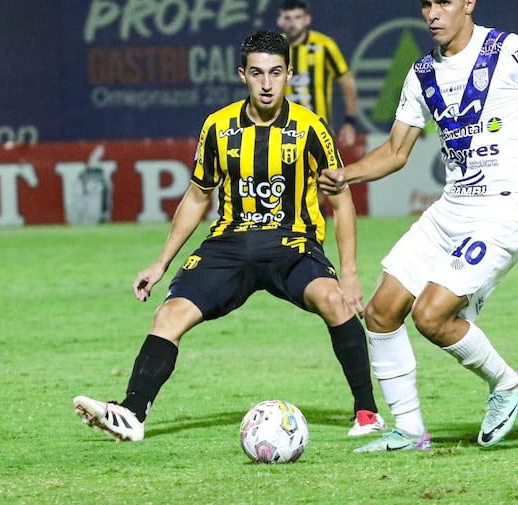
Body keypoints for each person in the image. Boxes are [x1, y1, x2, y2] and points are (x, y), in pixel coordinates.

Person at [320, 0, 518, 452]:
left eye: (443, 3)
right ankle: (410, 430)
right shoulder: (421, 74)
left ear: (468, 3)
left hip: (503, 212)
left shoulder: (508, 51)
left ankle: (505, 384)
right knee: (380, 311)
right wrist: (343, 173)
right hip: (450, 211)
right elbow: (396, 153)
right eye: (425, 4)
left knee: (432, 316)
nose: (433, 14)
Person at [74, 30, 385, 442]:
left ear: (289, 73)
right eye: (257, 73)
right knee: (168, 316)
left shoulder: (311, 128)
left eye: (276, 72)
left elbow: (341, 201)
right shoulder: (218, 127)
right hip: (230, 245)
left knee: (333, 300)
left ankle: (367, 413)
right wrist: (161, 262)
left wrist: (349, 273)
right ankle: (131, 415)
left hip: (291, 245)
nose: (267, 83)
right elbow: (198, 195)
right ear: (243, 75)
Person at [277, 0, 358, 148]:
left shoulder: (324, 46)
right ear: (280, 21)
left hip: (319, 132)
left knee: (323, 172)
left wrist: (349, 122)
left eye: (297, 17)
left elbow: (347, 82)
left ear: (307, 19)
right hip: (282, 134)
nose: (292, 23)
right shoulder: (273, 48)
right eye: (287, 18)